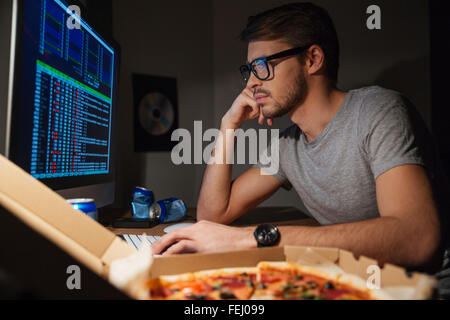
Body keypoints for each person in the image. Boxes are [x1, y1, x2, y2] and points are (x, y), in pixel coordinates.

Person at [152, 2, 448, 275]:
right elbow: (213, 213)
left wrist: (251, 239)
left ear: (313, 59)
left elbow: (417, 238)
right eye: (250, 70)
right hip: (354, 281)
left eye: (263, 65)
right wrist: (228, 126)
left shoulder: (379, 112)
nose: (253, 82)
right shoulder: (287, 147)